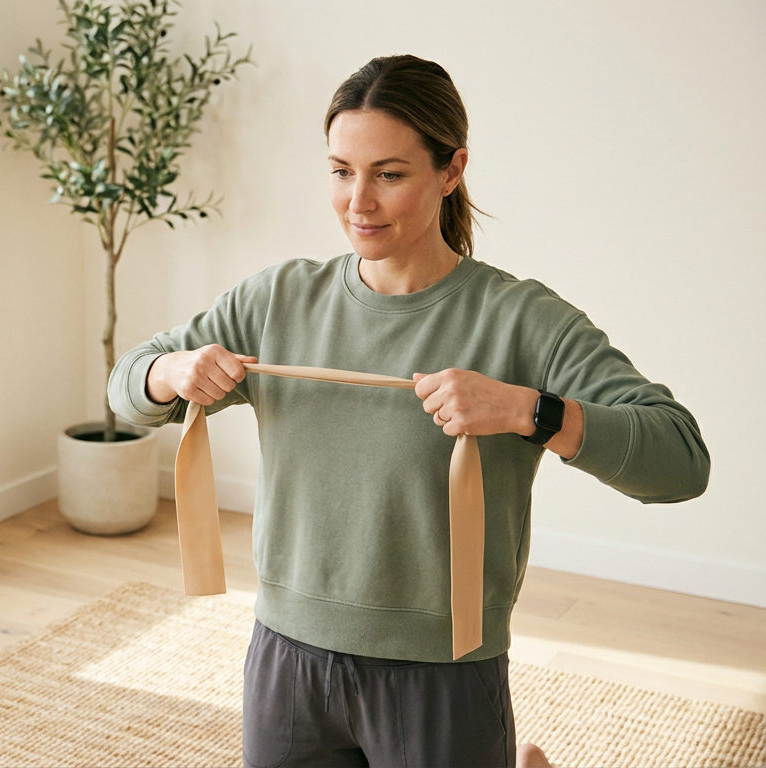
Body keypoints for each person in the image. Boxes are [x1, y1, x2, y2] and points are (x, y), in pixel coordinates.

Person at [107, 55, 710, 768]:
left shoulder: (523, 320)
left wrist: (530, 411)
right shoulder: (278, 300)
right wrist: (171, 372)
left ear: (451, 171)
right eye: (340, 171)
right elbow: (125, 390)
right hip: (287, 658)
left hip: (444, 671)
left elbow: (681, 462)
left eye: (388, 174)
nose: (358, 201)